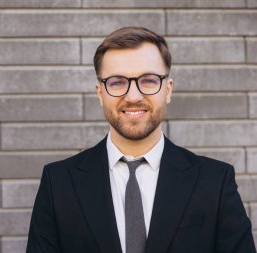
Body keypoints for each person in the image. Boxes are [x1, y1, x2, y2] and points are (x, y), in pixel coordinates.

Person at [26, 26, 256, 253]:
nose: (133, 96)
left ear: (168, 89)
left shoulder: (215, 181)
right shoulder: (58, 183)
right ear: (100, 93)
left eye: (148, 80)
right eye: (116, 82)